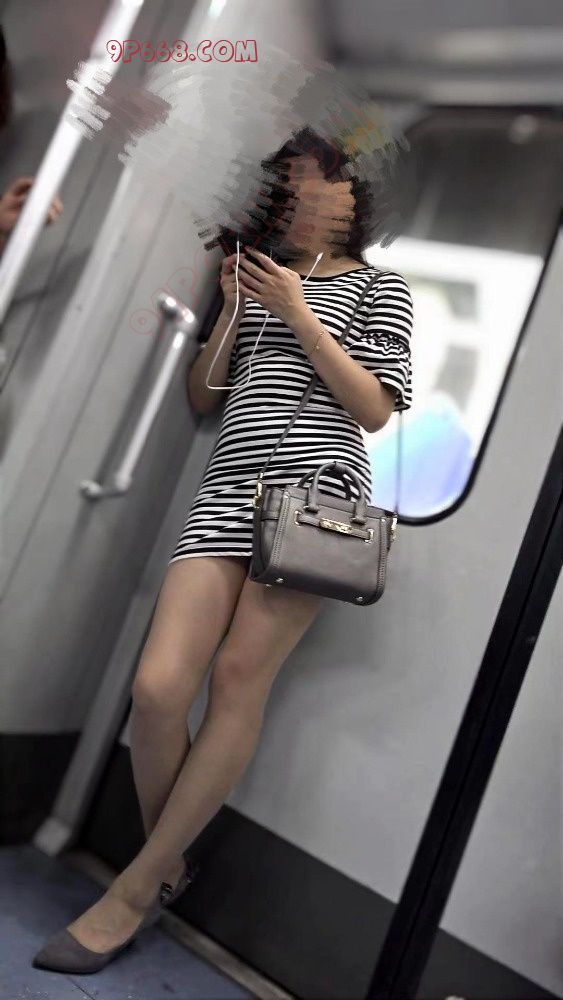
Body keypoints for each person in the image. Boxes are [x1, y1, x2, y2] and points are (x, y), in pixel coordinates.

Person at [33, 131, 414, 974]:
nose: (300, 198)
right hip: (226, 492)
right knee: (157, 688)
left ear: (351, 197)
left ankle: (132, 893)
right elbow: (204, 396)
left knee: (238, 680)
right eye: (288, 187)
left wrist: (299, 314)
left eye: (316, 184)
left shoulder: (379, 287)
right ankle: (165, 865)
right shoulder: (255, 279)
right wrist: (237, 311)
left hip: (315, 498)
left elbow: (374, 409)